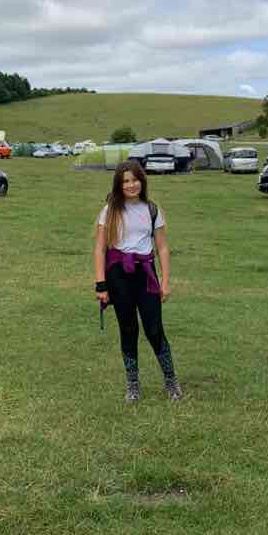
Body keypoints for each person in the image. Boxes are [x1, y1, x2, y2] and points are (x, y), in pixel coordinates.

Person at [93, 160, 183, 402]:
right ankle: (133, 384)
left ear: (142, 181)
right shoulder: (109, 210)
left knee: (154, 329)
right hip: (118, 276)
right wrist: (101, 284)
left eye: (135, 180)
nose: (131, 185)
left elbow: (162, 248)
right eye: (125, 181)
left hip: (146, 274)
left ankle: (171, 380)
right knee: (128, 329)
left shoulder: (152, 210)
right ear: (119, 185)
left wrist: (165, 282)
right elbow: (100, 249)